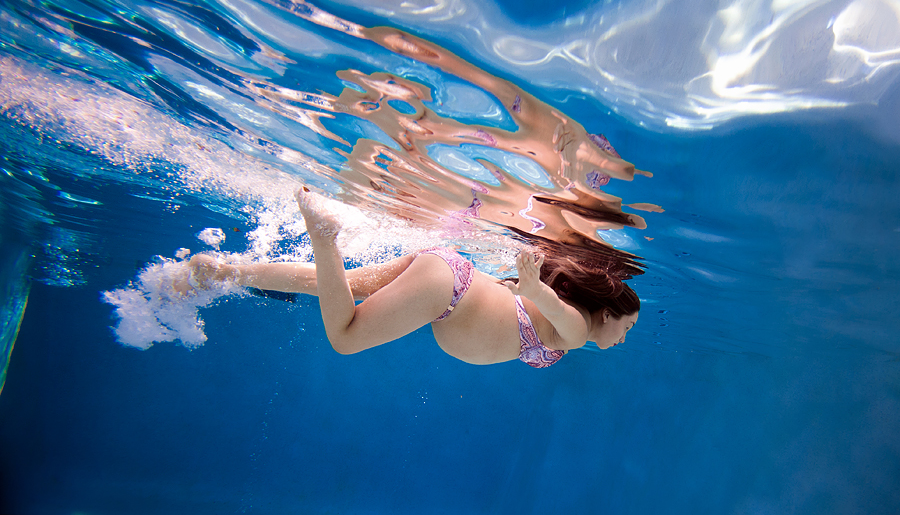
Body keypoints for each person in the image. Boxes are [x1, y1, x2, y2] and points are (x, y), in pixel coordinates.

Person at [188, 188, 640, 368]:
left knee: (324, 285)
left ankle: (224, 271)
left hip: (449, 276)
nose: (625, 337)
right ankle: (324, 234)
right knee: (345, 338)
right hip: (447, 292)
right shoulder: (576, 334)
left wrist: (526, 289)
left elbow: (543, 306)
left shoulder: (560, 319)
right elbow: (559, 311)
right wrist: (535, 287)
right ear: (608, 312)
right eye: (629, 326)